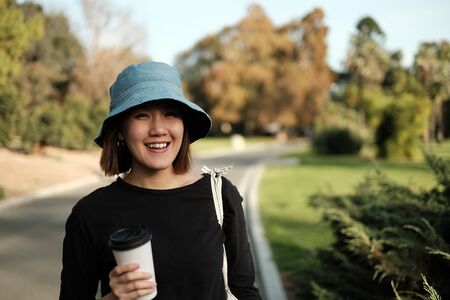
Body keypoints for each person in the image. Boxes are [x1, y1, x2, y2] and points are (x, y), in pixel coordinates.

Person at [59, 61, 261, 300]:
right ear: (121, 130)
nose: (158, 129)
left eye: (170, 114)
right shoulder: (89, 214)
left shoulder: (220, 196)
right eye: (141, 115)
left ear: (184, 125)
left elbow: (245, 291)